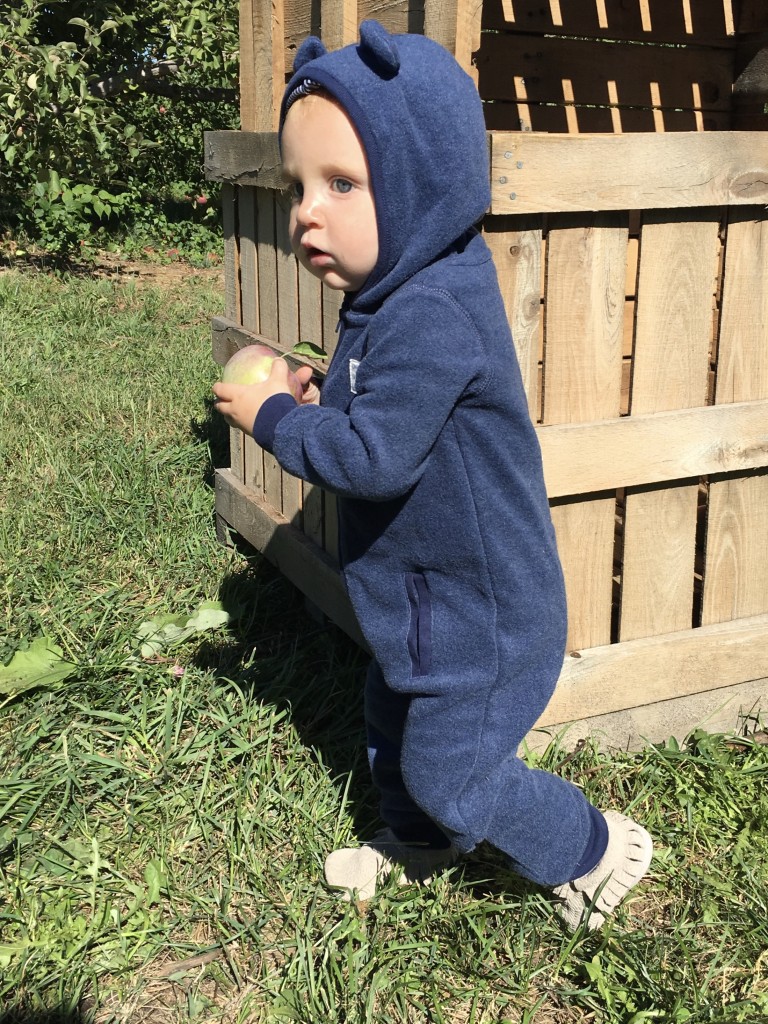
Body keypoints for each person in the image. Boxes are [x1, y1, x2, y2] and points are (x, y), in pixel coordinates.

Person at [213, 20, 653, 931]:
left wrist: (277, 419)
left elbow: (375, 458)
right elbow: (389, 409)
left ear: (425, 178)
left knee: (454, 766)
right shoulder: (397, 294)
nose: (307, 212)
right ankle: (419, 839)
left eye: (342, 183)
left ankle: (595, 850)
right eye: (301, 186)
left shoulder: (432, 311)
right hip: (428, 601)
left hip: (483, 613)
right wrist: (322, 391)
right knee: (394, 713)